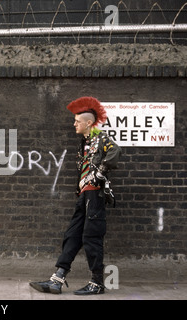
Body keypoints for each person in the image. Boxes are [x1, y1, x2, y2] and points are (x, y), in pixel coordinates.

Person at [30, 96, 121, 295]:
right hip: (84, 196)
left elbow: (115, 151)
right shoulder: (85, 143)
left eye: (77, 121)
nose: (74, 124)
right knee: (72, 235)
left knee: (91, 236)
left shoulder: (101, 138)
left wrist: (98, 174)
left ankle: (97, 283)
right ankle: (57, 280)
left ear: (89, 123)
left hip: (95, 195)